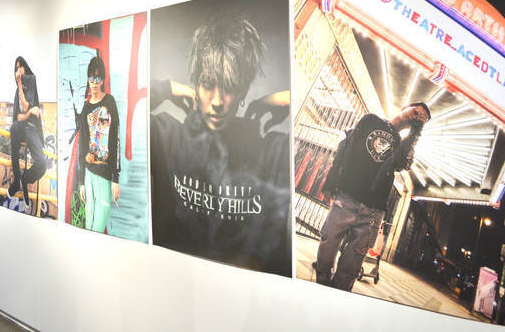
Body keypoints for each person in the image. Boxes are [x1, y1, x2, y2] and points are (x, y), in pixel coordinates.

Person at [150, 17, 291, 276]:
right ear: (195, 84)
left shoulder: (270, 152)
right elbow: (117, 107)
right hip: (173, 279)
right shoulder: (168, 136)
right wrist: (166, 88)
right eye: (207, 84)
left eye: (230, 87)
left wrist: (288, 99)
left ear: (244, 91)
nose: (217, 101)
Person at [315, 103, 431, 291]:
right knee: (327, 247)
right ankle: (321, 286)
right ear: (405, 106)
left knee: (352, 264)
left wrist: (416, 132)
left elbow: (402, 163)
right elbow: (346, 148)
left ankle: (337, 295)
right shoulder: (371, 120)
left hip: (374, 210)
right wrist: (331, 181)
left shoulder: (402, 144)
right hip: (348, 195)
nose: (416, 116)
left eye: (421, 118)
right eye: (415, 111)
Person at [76, 55, 120, 232]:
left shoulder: (109, 101)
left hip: (104, 175)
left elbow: (116, 140)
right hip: (88, 173)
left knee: (98, 227)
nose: (94, 83)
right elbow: (82, 146)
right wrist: (81, 182)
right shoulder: (86, 108)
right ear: (88, 79)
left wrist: (115, 179)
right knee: (89, 226)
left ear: (102, 80)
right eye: (91, 78)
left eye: (98, 78)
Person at [7, 56, 45, 209]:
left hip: (32, 128)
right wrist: (28, 113)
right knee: (14, 128)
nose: (18, 71)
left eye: (20, 67)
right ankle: (17, 181)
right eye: (16, 68)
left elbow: (25, 105)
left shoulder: (31, 80)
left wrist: (27, 112)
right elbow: (19, 116)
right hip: (21, 127)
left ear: (25, 67)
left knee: (42, 164)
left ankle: (25, 178)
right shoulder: (18, 90)